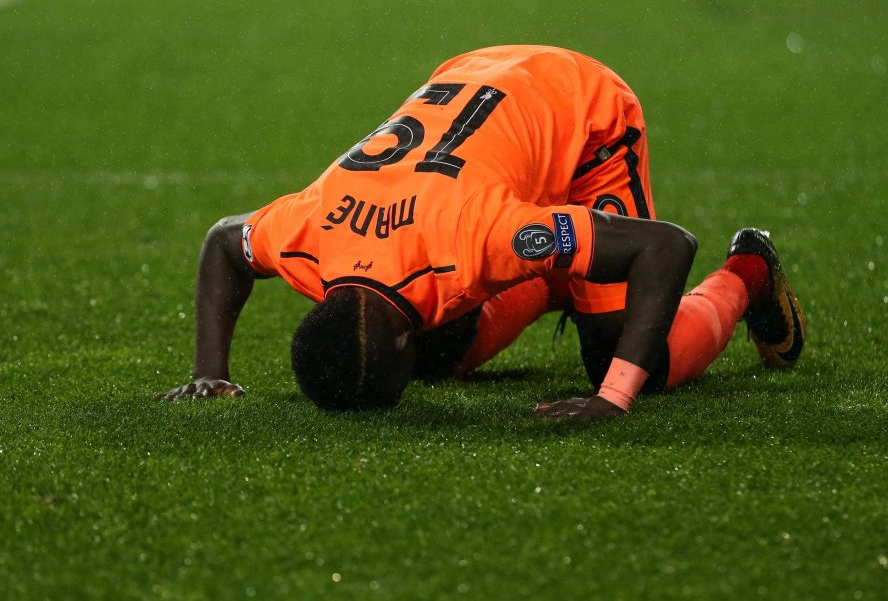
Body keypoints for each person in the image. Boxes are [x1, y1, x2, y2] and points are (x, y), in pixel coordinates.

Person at [158, 45, 806, 419]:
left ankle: (748, 272)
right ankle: (567, 270)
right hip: (477, 78)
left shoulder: (476, 237)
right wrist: (209, 372)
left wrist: (614, 397)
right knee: (445, 353)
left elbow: (665, 246)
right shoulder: (307, 235)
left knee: (626, 356)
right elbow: (225, 242)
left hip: (582, 113)